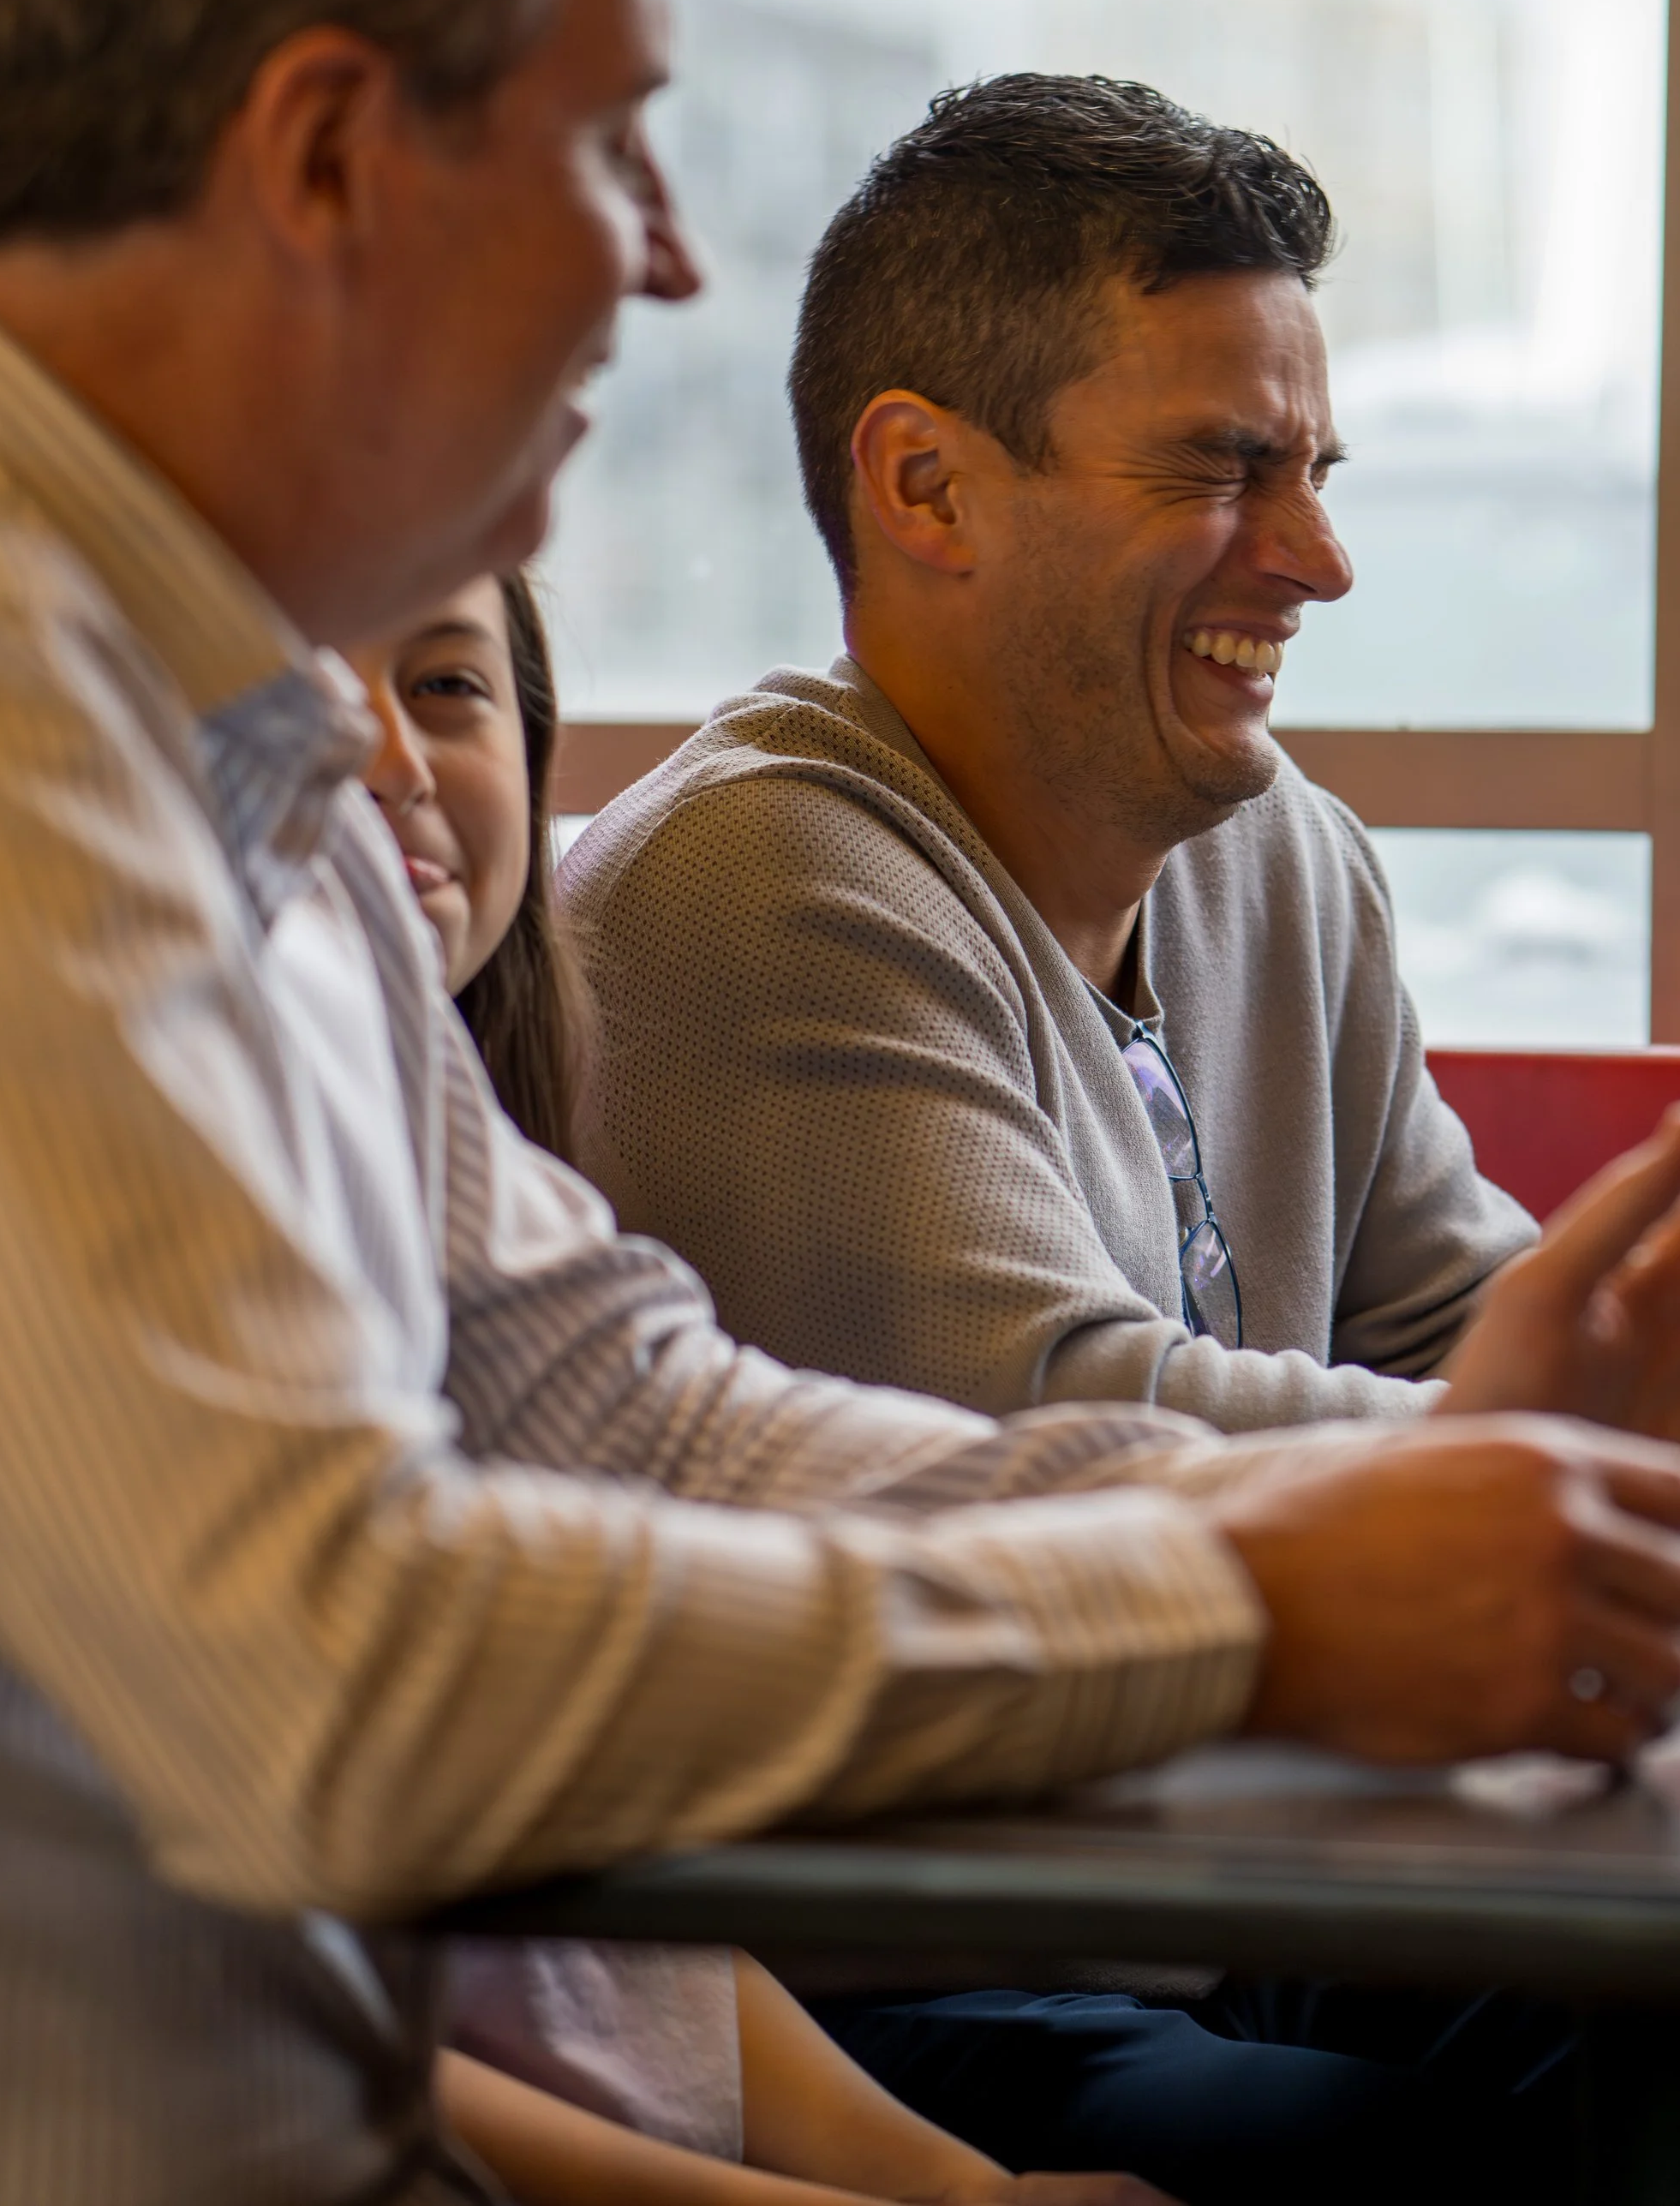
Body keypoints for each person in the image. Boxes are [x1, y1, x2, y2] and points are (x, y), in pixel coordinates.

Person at [0, 0, 1680, 2204]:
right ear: (320, 155)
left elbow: (635, 1413)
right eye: (612, 141)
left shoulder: (221, 737)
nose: (660, 255)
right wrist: (1264, 1603)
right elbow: (330, 1658)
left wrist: (1330, 1513)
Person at [560, 69, 1680, 2185]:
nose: (1320, 557)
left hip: (1247, 1883)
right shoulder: (745, 892)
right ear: (922, 484)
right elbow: (1089, 1433)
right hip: (886, 1976)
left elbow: (1478, 1325)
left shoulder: (1280, 858)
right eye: (1222, 468)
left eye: (1315, 470)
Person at [348, 572, 1169, 2206]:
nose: (387, 757)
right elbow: (277, 2026)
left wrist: (947, 2188)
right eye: (293, 680)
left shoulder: (475, 1173)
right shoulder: (773, 863)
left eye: (448, 689)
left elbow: (643, 1962)